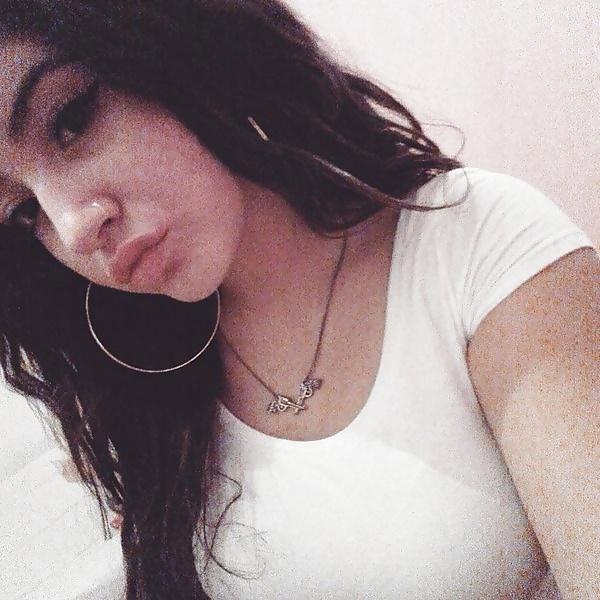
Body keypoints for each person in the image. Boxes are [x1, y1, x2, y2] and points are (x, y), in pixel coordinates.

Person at [0, 1, 597, 599]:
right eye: (24, 209)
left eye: (71, 120)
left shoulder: (475, 243)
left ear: (176, 42)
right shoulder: (148, 378)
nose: (72, 229)